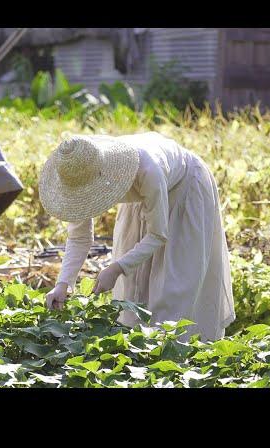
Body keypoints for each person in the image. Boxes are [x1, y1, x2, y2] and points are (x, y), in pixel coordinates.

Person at [39, 132, 235, 341]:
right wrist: (63, 284)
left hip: (183, 190)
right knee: (134, 292)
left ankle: (175, 355)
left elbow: (158, 234)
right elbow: (79, 238)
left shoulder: (147, 170)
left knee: (175, 290)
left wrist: (116, 269)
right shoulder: (78, 172)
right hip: (141, 200)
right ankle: (141, 354)